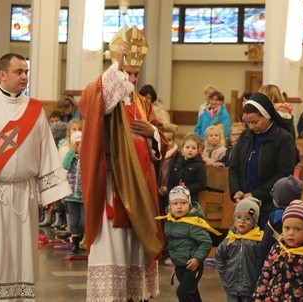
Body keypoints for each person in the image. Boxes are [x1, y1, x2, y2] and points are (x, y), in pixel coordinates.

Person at [79, 26, 168, 301]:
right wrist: (116, 63)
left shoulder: (143, 103)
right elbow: (97, 99)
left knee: (136, 246)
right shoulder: (105, 97)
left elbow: (161, 138)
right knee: (114, 243)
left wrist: (151, 134)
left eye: (134, 74)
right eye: (126, 73)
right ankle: (111, 295)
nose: (130, 79)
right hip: (113, 183)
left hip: (142, 185)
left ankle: (133, 294)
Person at [0, 53, 71, 300]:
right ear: (2, 74)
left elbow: (46, 153)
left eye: (26, 72)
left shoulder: (35, 111)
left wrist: (50, 194)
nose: (24, 76)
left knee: (21, 256)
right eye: (19, 72)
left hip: (24, 196)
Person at [228, 92, 297, 229]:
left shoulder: (283, 138)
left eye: (255, 122)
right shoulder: (245, 136)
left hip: (269, 206)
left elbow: (283, 174)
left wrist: (255, 195)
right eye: (248, 122)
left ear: (267, 115)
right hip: (244, 206)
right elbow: (234, 168)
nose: (251, 127)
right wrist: (236, 191)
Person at [253, 200, 303, 301]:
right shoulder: (277, 248)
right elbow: (266, 272)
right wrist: (258, 296)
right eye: (287, 228)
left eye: (297, 229)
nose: (291, 233)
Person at [155, 186, 219, 302]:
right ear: (169, 207)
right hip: (179, 265)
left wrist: (197, 258)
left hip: (193, 266)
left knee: (183, 293)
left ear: (189, 205)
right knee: (192, 293)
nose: (179, 206)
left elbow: (206, 242)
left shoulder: (193, 223)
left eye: (183, 203)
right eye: (175, 203)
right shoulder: (169, 222)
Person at [255, 175, 303, 276]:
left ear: (277, 199)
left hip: (267, 267)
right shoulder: (300, 219)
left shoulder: (273, 219)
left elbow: (264, 247)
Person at [215, 197, 263, 302]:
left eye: (248, 218)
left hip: (250, 287)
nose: (242, 221)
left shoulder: (258, 241)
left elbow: (262, 263)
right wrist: (225, 275)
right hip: (231, 286)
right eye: (239, 217)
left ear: (255, 222)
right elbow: (219, 256)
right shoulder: (230, 239)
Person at [61, 131, 85, 255]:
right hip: (71, 196)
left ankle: (84, 240)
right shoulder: (71, 158)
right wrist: (71, 151)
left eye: (81, 144)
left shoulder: (87, 157)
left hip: (83, 196)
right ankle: (75, 244)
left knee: (84, 221)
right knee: (74, 221)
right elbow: (64, 165)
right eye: (77, 144)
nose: (79, 146)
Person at [168, 133, 206, 204]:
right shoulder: (177, 163)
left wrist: (186, 189)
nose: (190, 150)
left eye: (193, 148)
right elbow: (171, 180)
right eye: (187, 147)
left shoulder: (199, 165)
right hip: (175, 197)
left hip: (191, 198)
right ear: (182, 149)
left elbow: (201, 184)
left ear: (198, 150)